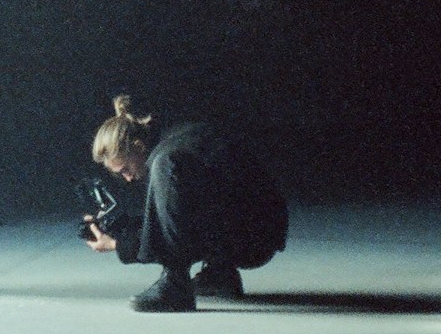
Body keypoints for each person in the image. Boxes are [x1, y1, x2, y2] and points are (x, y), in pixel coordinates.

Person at [83, 95, 288, 312]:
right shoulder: (179, 139)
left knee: (165, 167)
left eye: (125, 169)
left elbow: (175, 226)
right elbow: (189, 213)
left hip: (253, 241)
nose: (128, 178)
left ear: (138, 146)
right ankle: (219, 273)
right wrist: (123, 228)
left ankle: (175, 285)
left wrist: (117, 244)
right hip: (261, 231)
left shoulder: (167, 159)